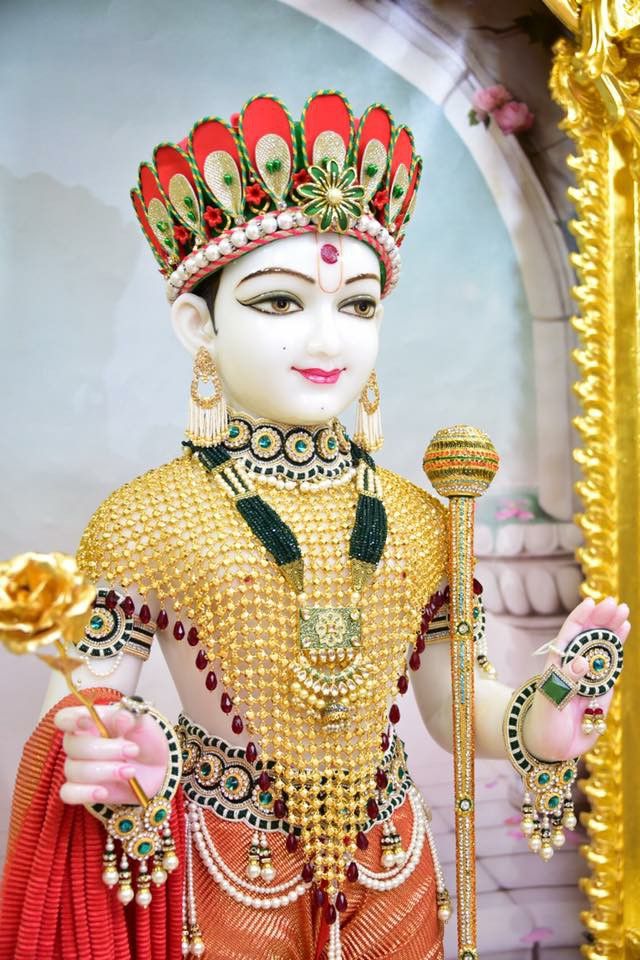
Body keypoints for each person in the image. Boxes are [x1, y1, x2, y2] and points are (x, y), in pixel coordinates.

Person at [1, 91, 629, 960]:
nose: (328, 337)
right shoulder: (148, 517)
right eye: (280, 303)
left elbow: (453, 711)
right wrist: (120, 764)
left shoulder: (416, 517)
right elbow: (81, 707)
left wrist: (538, 719)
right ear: (199, 325)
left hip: (394, 867)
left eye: (359, 305)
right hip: (223, 862)